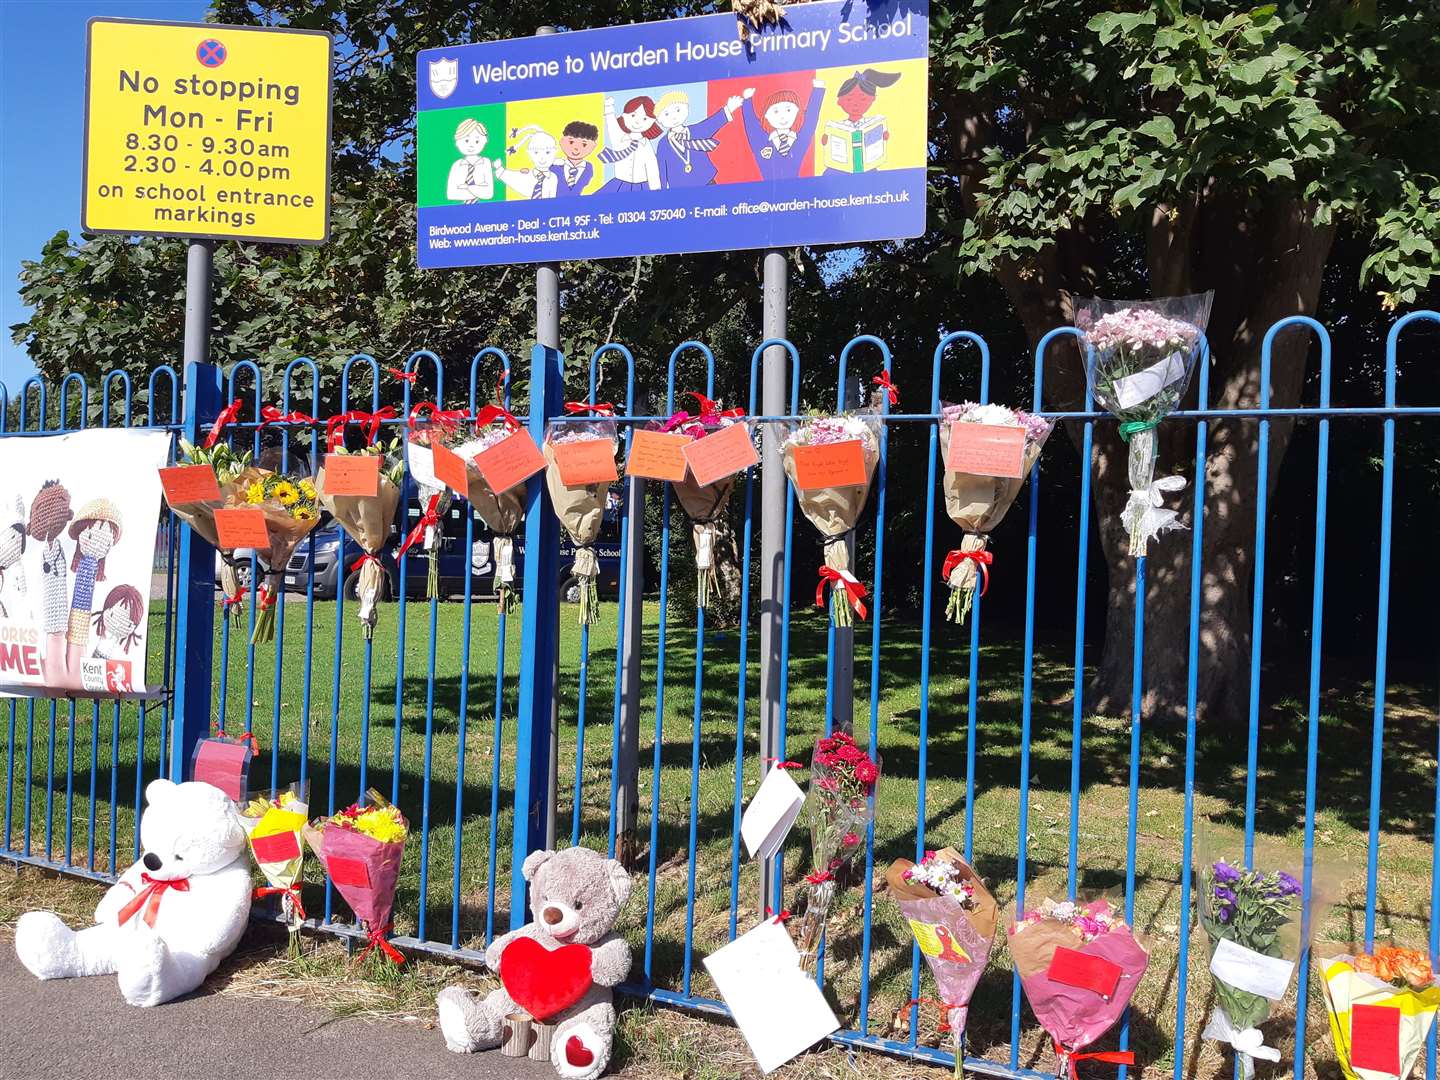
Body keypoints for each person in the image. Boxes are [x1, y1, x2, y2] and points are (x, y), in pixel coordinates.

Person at [653, 90, 742, 188]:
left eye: (678, 110)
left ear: (686, 108)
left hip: (706, 181)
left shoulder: (695, 131)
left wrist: (728, 109)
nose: (674, 117)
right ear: (659, 120)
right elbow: (661, 169)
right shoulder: (663, 144)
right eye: (666, 114)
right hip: (680, 188)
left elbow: (711, 124)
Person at [739, 80, 826, 181]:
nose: (783, 117)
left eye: (788, 110)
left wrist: (818, 91)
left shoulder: (799, 140)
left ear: (798, 112)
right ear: (766, 115)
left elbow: (810, 122)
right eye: (775, 111)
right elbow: (751, 127)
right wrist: (747, 101)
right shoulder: (762, 142)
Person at [596, 96, 662, 193]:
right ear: (624, 116)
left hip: (642, 187)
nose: (637, 121)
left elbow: (652, 168)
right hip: (619, 185)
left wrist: (656, 191)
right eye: (633, 115)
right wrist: (609, 108)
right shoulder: (620, 138)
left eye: (644, 118)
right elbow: (612, 125)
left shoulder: (646, 145)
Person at [496, 125, 560, 199]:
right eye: (536, 152)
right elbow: (515, 179)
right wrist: (500, 171)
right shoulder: (528, 176)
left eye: (548, 152)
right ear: (530, 153)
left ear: (555, 152)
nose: (542, 158)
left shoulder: (553, 178)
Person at [446, 119, 498, 203]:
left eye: (477, 141)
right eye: (466, 140)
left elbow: (488, 193)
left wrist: (467, 187)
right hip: (460, 212)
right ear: (457, 142)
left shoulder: (485, 162)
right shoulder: (456, 165)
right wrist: (479, 188)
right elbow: (451, 194)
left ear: (484, 141)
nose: (471, 145)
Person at [552, 121, 599, 197]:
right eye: (571, 142)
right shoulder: (554, 165)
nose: (576, 148)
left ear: (593, 146)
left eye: (584, 144)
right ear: (561, 141)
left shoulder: (589, 168)